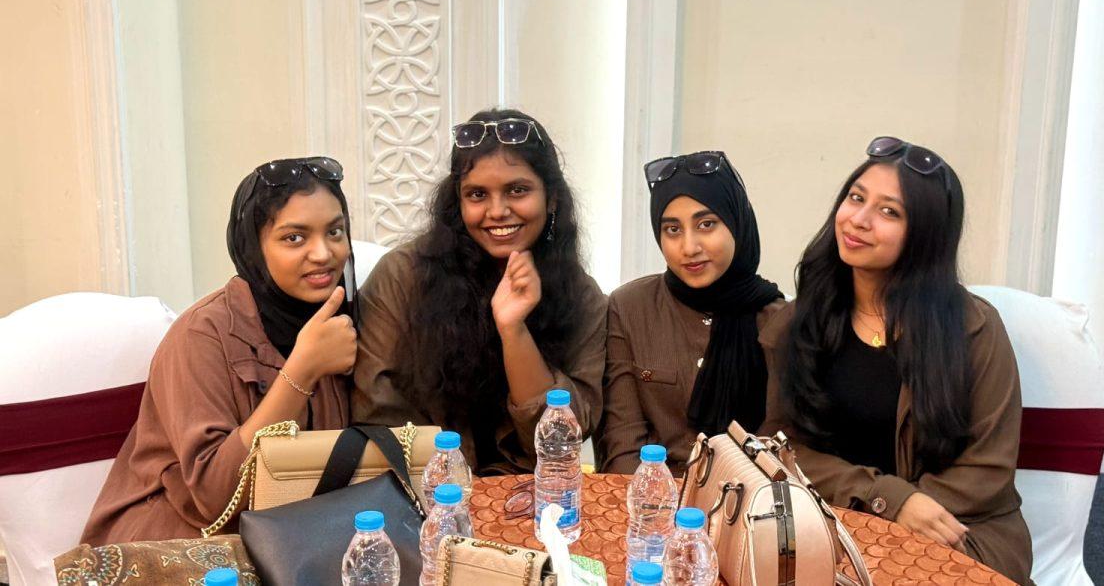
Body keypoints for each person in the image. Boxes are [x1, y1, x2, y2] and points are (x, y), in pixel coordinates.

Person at [760, 137, 1032, 583]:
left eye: (889, 211)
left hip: (956, 529)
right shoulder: (800, 321)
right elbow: (782, 447)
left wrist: (912, 515)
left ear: (925, 235)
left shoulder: (974, 329)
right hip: (837, 521)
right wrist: (888, 500)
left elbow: (989, 466)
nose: (859, 219)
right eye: (856, 198)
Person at [82, 157, 358, 544]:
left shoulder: (341, 320)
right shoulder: (201, 335)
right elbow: (217, 496)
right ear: (253, 247)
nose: (323, 253)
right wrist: (302, 371)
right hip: (177, 543)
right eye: (294, 238)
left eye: (335, 231)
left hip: (288, 540)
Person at [352, 108, 606, 473]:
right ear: (458, 203)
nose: (497, 211)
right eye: (477, 194)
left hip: (530, 492)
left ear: (551, 198)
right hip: (424, 488)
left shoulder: (581, 296)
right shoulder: (401, 276)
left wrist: (514, 330)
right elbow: (378, 419)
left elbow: (559, 441)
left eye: (517, 190)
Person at [599, 151, 784, 474]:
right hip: (649, 494)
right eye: (672, 229)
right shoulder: (629, 307)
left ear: (737, 223)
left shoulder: (780, 321)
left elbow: (782, 452)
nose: (689, 247)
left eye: (706, 224)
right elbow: (621, 442)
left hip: (748, 498)